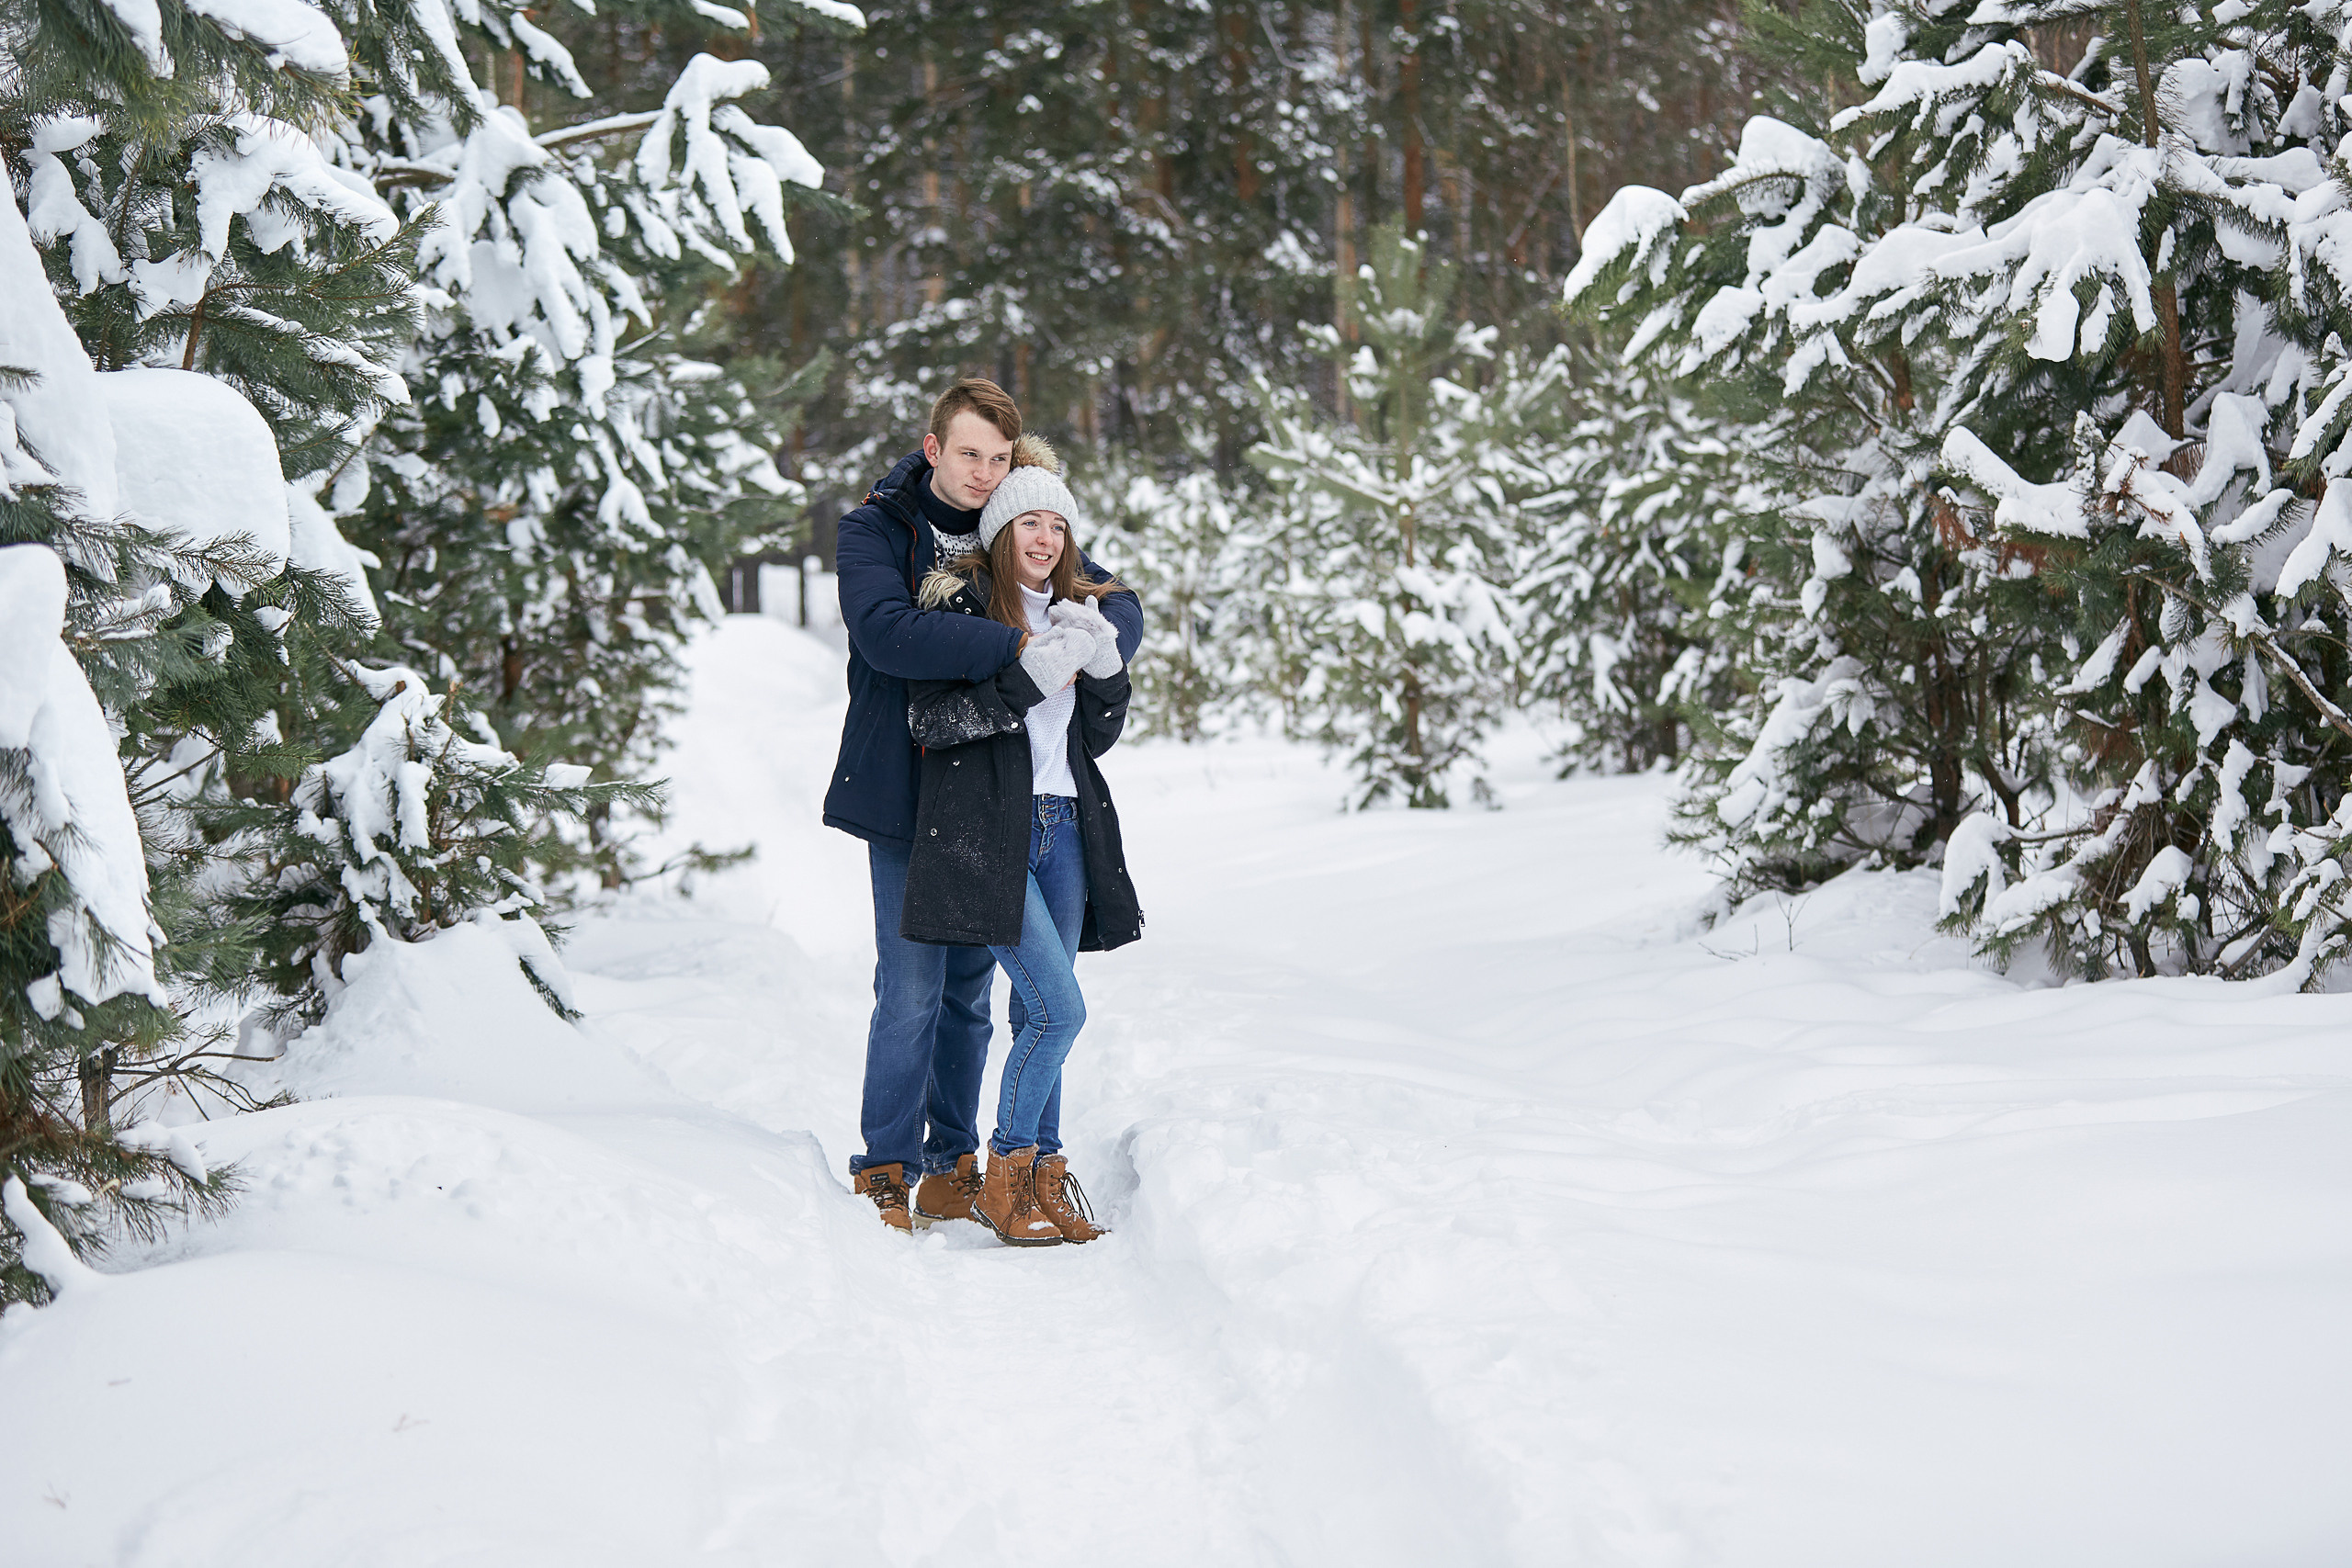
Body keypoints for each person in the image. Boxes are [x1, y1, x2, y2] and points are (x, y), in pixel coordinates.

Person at [824, 380, 1142, 1233]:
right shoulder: (879, 527)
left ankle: (952, 1160)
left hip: (991, 793)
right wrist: (1028, 647)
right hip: (907, 788)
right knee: (914, 987)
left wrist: (1096, 649)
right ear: (934, 449)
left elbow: (1112, 596)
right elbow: (888, 634)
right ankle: (884, 1164)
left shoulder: (1015, 514)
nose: (984, 473)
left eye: (1000, 459)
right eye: (970, 454)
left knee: (971, 989)